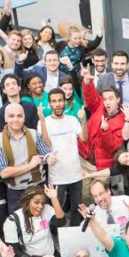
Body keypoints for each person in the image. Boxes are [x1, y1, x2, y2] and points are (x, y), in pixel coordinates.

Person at [0, 102, 54, 211]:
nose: (16, 119)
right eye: (11, 116)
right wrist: (30, 166)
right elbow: (4, 172)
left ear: (24, 117)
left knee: (43, 222)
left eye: (19, 116)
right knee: (20, 224)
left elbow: (45, 154)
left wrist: (50, 158)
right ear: (5, 118)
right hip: (16, 191)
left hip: (38, 186)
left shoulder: (34, 133)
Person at [78, 67, 125, 203]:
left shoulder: (123, 120)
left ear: (118, 99)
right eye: (105, 99)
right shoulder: (100, 106)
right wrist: (87, 82)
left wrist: (105, 131)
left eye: (111, 99)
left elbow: (112, 147)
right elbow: (91, 97)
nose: (107, 102)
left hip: (102, 165)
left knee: (100, 198)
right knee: (86, 196)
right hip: (85, 159)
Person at [38, 88, 83, 226]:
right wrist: (42, 121)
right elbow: (46, 144)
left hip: (75, 173)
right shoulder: (43, 122)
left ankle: (74, 234)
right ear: (50, 104)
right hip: (56, 175)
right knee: (56, 209)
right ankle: (56, 235)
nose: (57, 104)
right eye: (54, 101)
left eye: (60, 100)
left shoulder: (72, 119)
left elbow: (84, 137)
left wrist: (84, 119)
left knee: (77, 208)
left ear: (65, 102)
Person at [3, 185, 65, 257]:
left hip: (52, 256)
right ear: (27, 203)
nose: (40, 206)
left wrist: (54, 199)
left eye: (42, 203)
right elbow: (14, 250)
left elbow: (61, 222)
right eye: (36, 202)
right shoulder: (12, 221)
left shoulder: (47, 209)